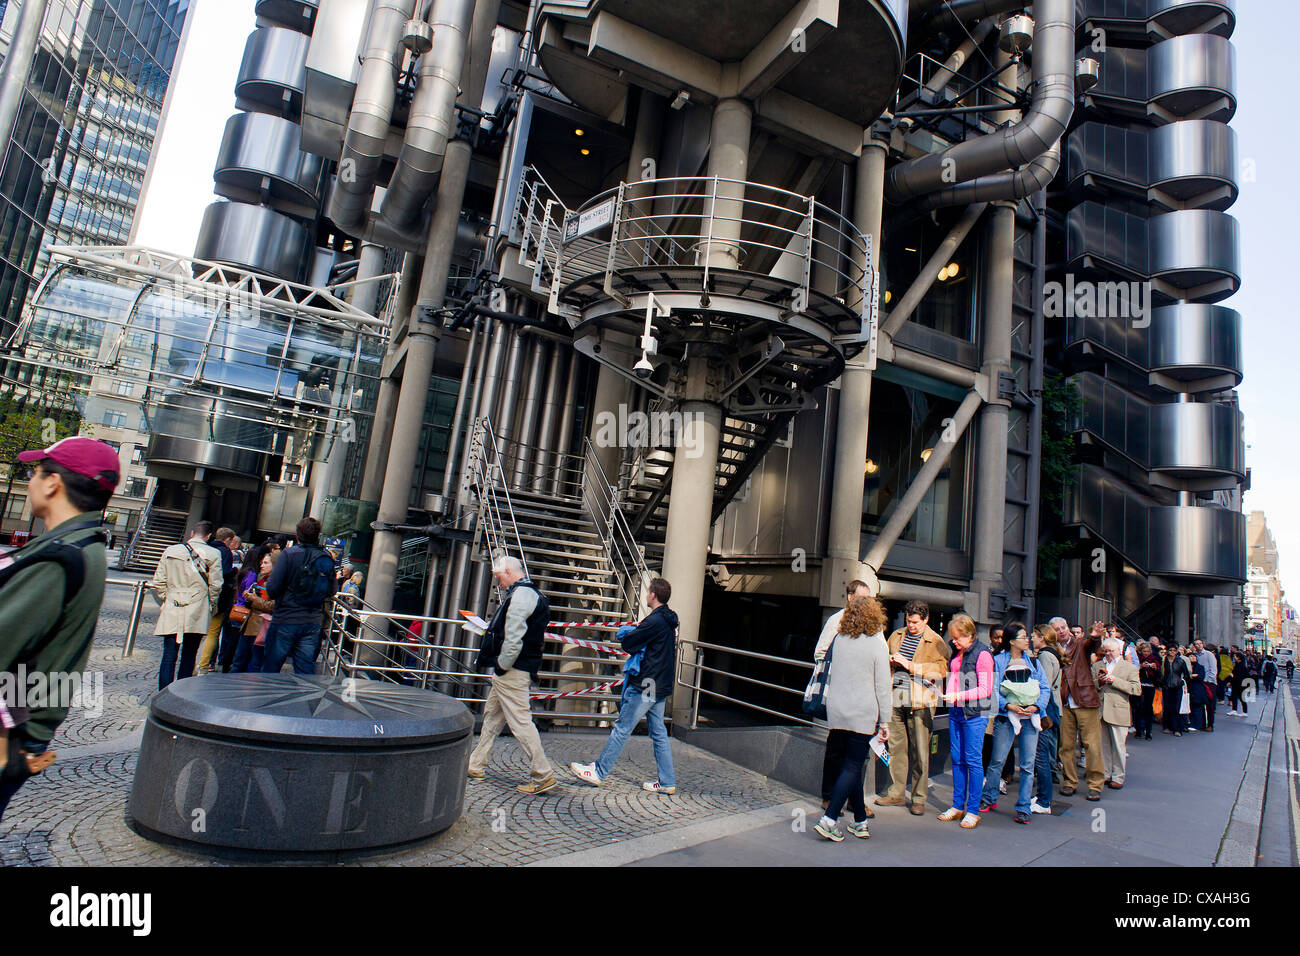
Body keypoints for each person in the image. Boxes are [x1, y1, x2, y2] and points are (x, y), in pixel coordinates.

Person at [0, 437, 119, 822]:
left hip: (13, 730)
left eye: (35, 472)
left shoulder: (60, 558)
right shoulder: (84, 544)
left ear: (53, 483)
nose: (30, 481)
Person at [570, 577, 679, 794]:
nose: (647, 595)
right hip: (661, 684)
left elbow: (629, 643)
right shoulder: (670, 619)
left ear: (653, 595)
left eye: (648, 592)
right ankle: (667, 781)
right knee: (658, 732)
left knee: (622, 727)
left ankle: (599, 771)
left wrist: (630, 630)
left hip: (647, 683)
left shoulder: (654, 621)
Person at [467, 555, 556, 794]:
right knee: (493, 717)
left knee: (520, 722)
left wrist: (501, 665)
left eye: (498, 576)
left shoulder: (521, 595)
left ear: (507, 572)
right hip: (516, 667)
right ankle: (476, 764)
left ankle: (543, 774)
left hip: (512, 669)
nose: (498, 582)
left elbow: (514, 637)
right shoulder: (530, 594)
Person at [811, 595, 892, 842]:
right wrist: (886, 720)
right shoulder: (877, 645)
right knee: (853, 765)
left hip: (838, 711)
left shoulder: (840, 641)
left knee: (850, 765)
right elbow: (882, 687)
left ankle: (860, 822)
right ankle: (830, 819)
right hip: (863, 712)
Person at [876, 599, 951, 815]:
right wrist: (891, 661)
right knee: (897, 748)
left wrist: (911, 666)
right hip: (896, 698)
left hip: (921, 702)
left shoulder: (935, 641)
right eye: (909, 621)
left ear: (926, 620)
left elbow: (941, 670)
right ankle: (897, 793)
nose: (912, 626)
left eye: (916, 622)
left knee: (921, 752)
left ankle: (919, 798)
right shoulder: (897, 635)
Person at [813, 579, 875, 817]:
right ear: (850, 597)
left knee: (859, 751)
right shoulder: (836, 620)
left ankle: (853, 800)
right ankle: (829, 797)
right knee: (837, 747)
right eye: (862, 598)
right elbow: (820, 652)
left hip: (862, 695)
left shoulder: (871, 625)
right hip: (840, 693)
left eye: (869, 599)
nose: (866, 603)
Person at [980, 622, 1049, 824]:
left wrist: (1037, 707)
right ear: (1011, 641)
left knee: (1028, 765)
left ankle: (1023, 807)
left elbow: (1044, 688)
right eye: (1023, 637)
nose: (1027, 640)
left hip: (1030, 718)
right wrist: (1008, 706)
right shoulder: (998, 661)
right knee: (997, 761)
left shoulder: (1034, 662)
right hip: (1006, 717)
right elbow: (992, 689)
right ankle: (989, 797)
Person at [937, 614, 994, 829]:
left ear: (970, 635)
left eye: (957, 638)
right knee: (958, 759)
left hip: (974, 714)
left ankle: (972, 810)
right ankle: (958, 805)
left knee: (972, 760)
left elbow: (985, 689)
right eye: (953, 638)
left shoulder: (983, 654)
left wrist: (957, 696)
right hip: (957, 711)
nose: (954, 641)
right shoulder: (959, 652)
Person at [150, 520, 222, 689]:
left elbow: (159, 582)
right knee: (189, 654)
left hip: (173, 605)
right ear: (209, 536)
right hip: (197, 608)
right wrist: (210, 604)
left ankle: (163, 693)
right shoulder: (214, 554)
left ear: (191, 533)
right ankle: (181, 693)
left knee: (169, 655)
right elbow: (216, 585)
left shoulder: (170, 550)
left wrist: (167, 598)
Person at [260, 517, 336, 675]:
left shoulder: (289, 554)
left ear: (297, 534)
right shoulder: (325, 556)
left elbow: (272, 589)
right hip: (312, 622)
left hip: (285, 619)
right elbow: (332, 590)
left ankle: (265, 699)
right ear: (318, 534)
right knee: (305, 673)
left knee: (270, 670)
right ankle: (306, 700)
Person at [1059, 620, 1106, 801]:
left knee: (1092, 745)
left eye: (1064, 628)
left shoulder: (1079, 643)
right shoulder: (1053, 649)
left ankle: (1095, 784)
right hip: (1065, 703)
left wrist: (1095, 635)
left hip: (1085, 699)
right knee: (1066, 746)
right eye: (1057, 629)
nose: (1062, 631)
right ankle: (1069, 782)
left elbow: (1092, 645)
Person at [1095, 637, 1140, 790]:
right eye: (1105, 651)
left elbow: (1136, 689)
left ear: (1119, 651)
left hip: (1119, 711)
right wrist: (1099, 682)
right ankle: (1106, 773)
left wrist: (1115, 681)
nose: (1108, 654)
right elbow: (1091, 685)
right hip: (1101, 710)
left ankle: (1118, 776)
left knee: (1119, 747)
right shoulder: (1097, 665)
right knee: (1104, 745)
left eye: (1111, 651)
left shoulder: (1129, 668)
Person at [196, 527, 239, 675]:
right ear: (228, 540)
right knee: (213, 633)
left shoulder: (205, 548)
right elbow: (224, 573)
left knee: (198, 631)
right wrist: (235, 571)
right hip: (219, 598)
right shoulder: (225, 552)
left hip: (201, 595)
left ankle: (196, 662)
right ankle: (204, 664)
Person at [1030, 624, 1062, 815]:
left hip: (1045, 710)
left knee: (1041, 755)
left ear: (1042, 637)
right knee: (1043, 754)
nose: (1031, 639)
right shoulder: (1052, 654)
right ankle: (1043, 795)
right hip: (1051, 707)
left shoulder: (1044, 656)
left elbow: (1044, 686)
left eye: (1034, 636)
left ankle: (1044, 800)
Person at [233, 550, 278, 672]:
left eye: (265, 563)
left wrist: (254, 599)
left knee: (254, 664)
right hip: (251, 625)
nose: (261, 565)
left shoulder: (277, 584)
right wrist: (249, 597)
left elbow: (273, 606)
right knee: (240, 660)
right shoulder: (261, 580)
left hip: (261, 627)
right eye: (262, 562)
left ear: (275, 565)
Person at [1160, 643, 1189, 736]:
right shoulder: (1164, 661)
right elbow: (1161, 673)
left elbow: (1187, 674)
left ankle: (1178, 729)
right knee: (1167, 707)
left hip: (1177, 686)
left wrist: (1181, 682)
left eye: (1174, 650)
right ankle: (1167, 726)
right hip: (1167, 686)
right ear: (1167, 651)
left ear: (1177, 652)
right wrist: (1162, 683)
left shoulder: (1180, 661)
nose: (1172, 652)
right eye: (1170, 650)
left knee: (1177, 708)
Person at [1135, 640, 1160, 740]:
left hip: (1150, 686)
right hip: (1139, 685)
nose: (1146, 653)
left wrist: (1154, 667)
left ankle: (1148, 731)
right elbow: (1132, 670)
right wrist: (1140, 666)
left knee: (1148, 708)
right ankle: (1138, 730)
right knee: (1138, 708)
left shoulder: (1154, 659)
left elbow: (1159, 673)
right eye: (1144, 651)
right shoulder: (1137, 659)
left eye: (1148, 651)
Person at [1195, 640, 1217, 732]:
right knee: (1201, 703)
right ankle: (1203, 723)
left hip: (1209, 682)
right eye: (1196, 644)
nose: (1198, 645)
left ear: (1203, 645)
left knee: (1210, 705)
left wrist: (1209, 680)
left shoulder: (1209, 654)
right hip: (1200, 682)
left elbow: (1213, 669)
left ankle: (1210, 724)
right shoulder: (1195, 655)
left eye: (1200, 644)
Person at [1185, 646, 1207, 732]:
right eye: (1191, 656)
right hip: (1189, 688)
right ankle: (1191, 722)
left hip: (1198, 689)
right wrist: (1192, 676)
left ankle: (1197, 724)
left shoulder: (1200, 667)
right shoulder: (1186, 666)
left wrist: (1193, 676)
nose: (1193, 658)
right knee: (1190, 707)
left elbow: (1200, 677)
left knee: (1197, 707)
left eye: (1194, 656)